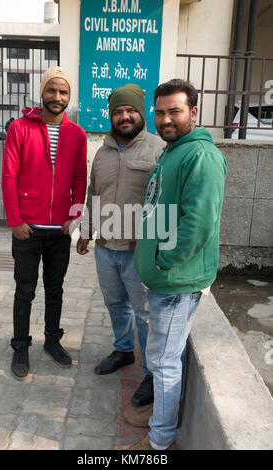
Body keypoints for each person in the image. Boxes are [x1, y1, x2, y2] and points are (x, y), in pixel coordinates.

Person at [122, 79, 227, 450]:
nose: (166, 119)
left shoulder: (202, 156)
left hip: (176, 282)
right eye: (161, 112)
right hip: (164, 279)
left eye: (175, 111)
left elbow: (199, 224)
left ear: (194, 113)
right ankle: (160, 422)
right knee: (162, 355)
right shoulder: (173, 150)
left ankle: (160, 442)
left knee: (164, 363)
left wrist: (163, 262)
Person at [77, 84, 164, 407]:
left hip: (138, 251)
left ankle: (153, 373)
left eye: (130, 111)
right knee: (115, 304)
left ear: (142, 114)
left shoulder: (158, 149)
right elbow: (93, 193)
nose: (124, 116)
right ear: (110, 116)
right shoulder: (102, 150)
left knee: (144, 314)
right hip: (105, 247)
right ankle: (124, 350)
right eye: (117, 111)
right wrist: (85, 231)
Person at [1, 66, 87, 381]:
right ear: (42, 91)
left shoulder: (76, 134)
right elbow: (8, 175)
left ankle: (52, 341)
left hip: (59, 230)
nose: (57, 97)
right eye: (51, 90)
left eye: (63, 92)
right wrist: (14, 219)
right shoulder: (20, 128)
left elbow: (80, 179)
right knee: (24, 290)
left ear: (69, 96)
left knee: (55, 288)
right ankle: (21, 346)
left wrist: (75, 217)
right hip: (26, 228)